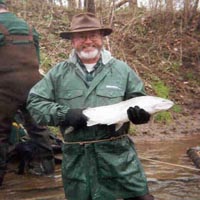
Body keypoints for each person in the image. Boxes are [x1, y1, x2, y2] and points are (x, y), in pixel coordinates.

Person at [27, 12, 154, 200]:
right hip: (78, 162)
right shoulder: (58, 74)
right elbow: (35, 103)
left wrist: (143, 116)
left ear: (102, 38)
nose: (88, 41)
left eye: (93, 35)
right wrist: (65, 114)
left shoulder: (122, 70)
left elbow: (140, 100)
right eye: (81, 36)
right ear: (72, 41)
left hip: (120, 161)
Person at [0, 0, 55, 186]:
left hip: (5, 87)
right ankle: (49, 175)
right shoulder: (29, 27)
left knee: (0, 132)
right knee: (38, 129)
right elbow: (37, 59)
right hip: (34, 84)